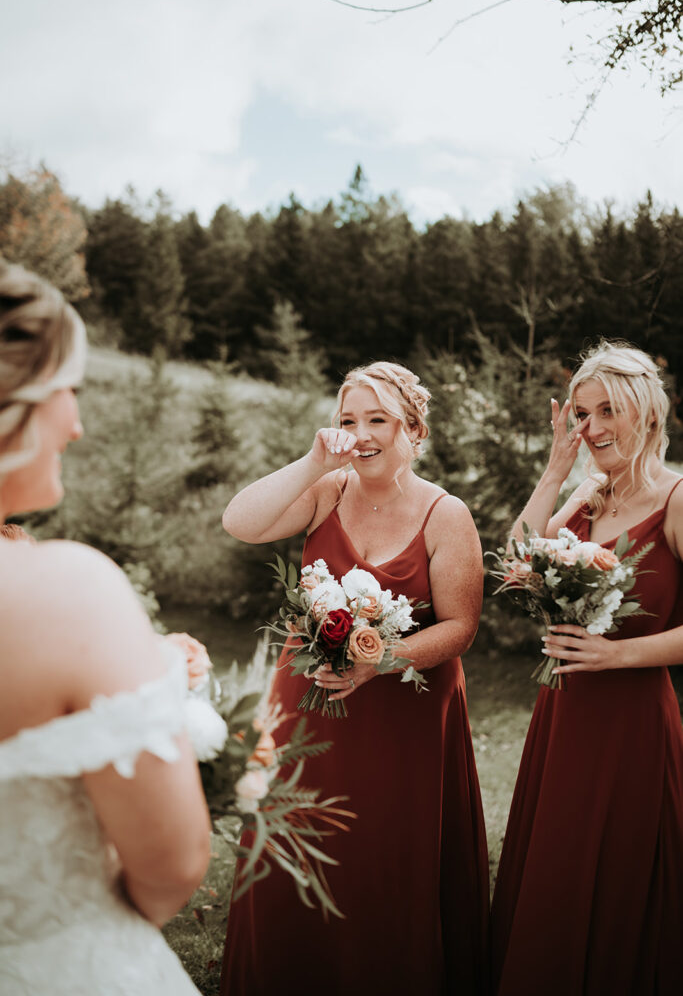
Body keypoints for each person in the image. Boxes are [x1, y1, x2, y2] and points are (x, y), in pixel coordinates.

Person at [220, 360, 489, 996]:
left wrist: (381, 661)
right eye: (348, 420)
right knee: (302, 841)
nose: (361, 434)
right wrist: (315, 461)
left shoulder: (447, 515)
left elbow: (460, 628)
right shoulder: (326, 491)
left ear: (414, 430)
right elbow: (241, 522)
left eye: (378, 420)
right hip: (308, 703)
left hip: (403, 718)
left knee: (382, 857)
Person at [0, 261, 211, 995]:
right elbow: (172, 867)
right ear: (15, 403)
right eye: (70, 388)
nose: (77, 422)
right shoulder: (65, 590)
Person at [491, 341, 683, 995]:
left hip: (631, 723)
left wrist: (618, 654)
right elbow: (513, 564)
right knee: (557, 869)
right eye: (581, 412)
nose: (593, 427)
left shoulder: (677, 499)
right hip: (563, 715)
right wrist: (554, 473)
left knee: (618, 880)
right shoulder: (589, 493)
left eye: (608, 411)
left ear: (646, 416)